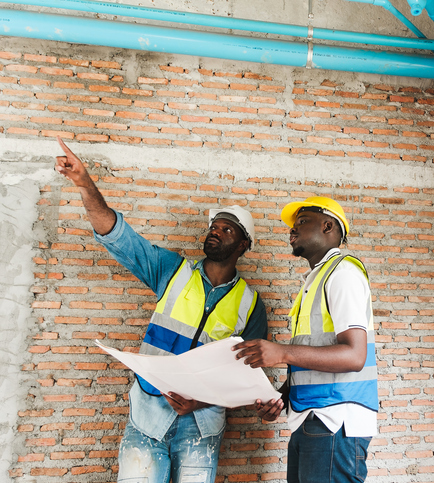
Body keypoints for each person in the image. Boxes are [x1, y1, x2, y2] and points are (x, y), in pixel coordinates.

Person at [54, 137, 268, 483]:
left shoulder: (251, 306)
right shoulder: (172, 271)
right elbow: (117, 235)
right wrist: (84, 183)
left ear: (243, 245)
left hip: (202, 425)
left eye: (226, 229)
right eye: (214, 227)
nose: (215, 232)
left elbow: (247, 378)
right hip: (148, 414)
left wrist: (198, 401)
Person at [234, 196, 378, 483]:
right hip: (312, 419)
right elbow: (313, 356)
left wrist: (282, 353)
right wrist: (281, 397)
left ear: (328, 226)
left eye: (302, 221)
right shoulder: (315, 281)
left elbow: (354, 356)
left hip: (335, 421)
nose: (292, 230)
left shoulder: (343, 273)